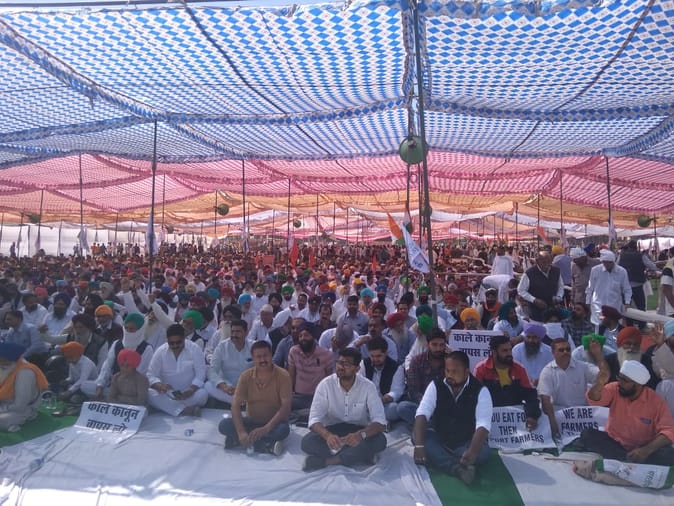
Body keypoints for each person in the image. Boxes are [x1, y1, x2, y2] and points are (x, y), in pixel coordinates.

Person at [301, 347, 387, 471]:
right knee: (307, 442)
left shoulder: (368, 386)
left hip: (358, 431)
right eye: (339, 363)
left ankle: (329, 461)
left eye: (346, 364)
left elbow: (380, 422)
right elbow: (314, 419)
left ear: (357, 369)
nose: (341, 367)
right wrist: (327, 436)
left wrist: (360, 435)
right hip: (332, 430)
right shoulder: (325, 385)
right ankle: (360, 455)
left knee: (380, 441)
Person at [413, 351, 492, 485]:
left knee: (483, 453)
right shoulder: (436, 385)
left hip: (466, 441)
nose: (449, 375)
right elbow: (422, 413)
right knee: (418, 436)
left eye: (455, 372)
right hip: (440, 437)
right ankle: (457, 469)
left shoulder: (481, 390)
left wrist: (472, 452)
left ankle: (441, 458)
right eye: (447, 370)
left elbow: (483, 425)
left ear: (466, 372)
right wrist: (419, 446)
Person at [580, 357, 674, 465]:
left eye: (624, 380)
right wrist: (600, 383)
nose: (619, 383)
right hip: (614, 443)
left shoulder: (656, 402)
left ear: (638, 384)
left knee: (669, 454)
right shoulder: (615, 388)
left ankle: (627, 460)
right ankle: (628, 460)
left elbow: (669, 431)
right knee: (588, 434)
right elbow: (594, 399)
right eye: (619, 378)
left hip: (643, 448)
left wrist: (645, 450)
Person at [218, 341, 291, 455]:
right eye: (258, 357)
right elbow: (235, 405)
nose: (263, 360)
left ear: (271, 355)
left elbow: (286, 407)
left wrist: (265, 429)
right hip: (251, 421)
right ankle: (265, 445)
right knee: (224, 425)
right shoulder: (245, 376)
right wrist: (241, 432)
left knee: (283, 430)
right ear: (253, 358)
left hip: (273, 424)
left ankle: (238, 441)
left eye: (265, 355)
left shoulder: (283, 375)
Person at [473, 335, 541, 429]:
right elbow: (474, 397)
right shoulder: (481, 369)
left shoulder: (519, 368)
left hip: (515, 419)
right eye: (505, 351)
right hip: (490, 419)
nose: (509, 353)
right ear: (494, 352)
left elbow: (530, 395)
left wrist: (532, 416)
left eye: (510, 350)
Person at [82, 313, 153, 400]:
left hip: (133, 388)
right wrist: (100, 385)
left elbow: (141, 372)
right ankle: (112, 397)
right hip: (113, 384)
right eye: (126, 328)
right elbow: (107, 366)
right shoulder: (117, 344)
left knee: (148, 394)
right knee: (84, 385)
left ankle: (114, 398)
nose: (128, 331)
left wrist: (121, 385)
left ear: (140, 330)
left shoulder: (147, 348)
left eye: (131, 329)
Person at [538, 338, 598, 438]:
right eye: (561, 350)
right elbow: (545, 399)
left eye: (568, 349)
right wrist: (553, 424)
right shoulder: (547, 371)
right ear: (553, 352)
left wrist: (598, 355)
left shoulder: (582, 367)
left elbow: (603, 376)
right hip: (560, 415)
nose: (565, 352)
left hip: (581, 415)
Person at [147, 323, 208, 416]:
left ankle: (169, 407)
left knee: (203, 394)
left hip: (189, 393)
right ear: (167, 340)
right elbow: (150, 374)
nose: (175, 345)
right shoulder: (160, 351)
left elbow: (201, 374)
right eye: (171, 343)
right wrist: (159, 386)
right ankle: (184, 410)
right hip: (167, 393)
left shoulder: (194, 348)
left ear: (184, 338)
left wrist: (191, 389)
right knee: (149, 393)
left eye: (178, 342)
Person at [398, 328, 448, 425]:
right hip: (423, 404)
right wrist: (429, 404)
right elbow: (414, 391)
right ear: (427, 344)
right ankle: (433, 425)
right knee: (402, 407)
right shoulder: (417, 361)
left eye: (441, 345)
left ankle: (427, 425)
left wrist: (454, 358)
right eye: (434, 345)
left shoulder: (450, 361)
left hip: (446, 405)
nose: (438, 349)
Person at [0, 342, 48, 432]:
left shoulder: (25, 373)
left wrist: (2, 409)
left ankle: (26, 417)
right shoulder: (5, 366)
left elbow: (20, 406)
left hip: (22, 409)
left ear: (7, 358)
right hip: (4, 404)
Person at [205, 319, 253, 405]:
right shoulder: (222, 346)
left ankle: (240, 401)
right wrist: (223, 386)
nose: (234, 335)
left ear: (246, 333)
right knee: (208, 386)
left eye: (238, 332)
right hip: (228, 387)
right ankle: (240, 402)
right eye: (233, 331)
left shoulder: (253, 346)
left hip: (248, 386)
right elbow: (212, 370)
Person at [358, 336, 404, 422]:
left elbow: (396, 391)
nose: (375, 359)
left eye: (378, 356)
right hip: (365, 403)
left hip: (384, 404)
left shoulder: (396, 367)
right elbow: (358, 384)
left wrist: (384, 399)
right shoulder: (364, 364)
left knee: (393, 408)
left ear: (385, 353)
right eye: (372, 356)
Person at [585, 249, 631, 329]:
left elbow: (627, 289)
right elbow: (590, 288)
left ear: (613, 261)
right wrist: (588, 302)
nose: (606, 265)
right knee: (598, 329)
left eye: (609, 262)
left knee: (614, 330)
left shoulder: (622, 272)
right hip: (598, 307)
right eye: (604, 262)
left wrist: (627, 302)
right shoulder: (595, 270)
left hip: (614, 307)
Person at [517, 251, 564, 322]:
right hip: (536, 312)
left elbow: (560, 286)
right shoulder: (529, 273)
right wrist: (534, 300)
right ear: (537, 261)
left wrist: (559, 296)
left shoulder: (556, 271)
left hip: (553, 310)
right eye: (544, 262)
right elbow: (521, 290)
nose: (547, 265)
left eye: (549, 262)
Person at [511, 322, 553, 386]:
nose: (530, 340)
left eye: (534, 337)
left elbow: (551, 372)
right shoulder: (517, 350)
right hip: (522, 386)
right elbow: (514, 371)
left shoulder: (549, 351)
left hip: (543, 386)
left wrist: (541, 380)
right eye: (528, 337)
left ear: (540, 338)